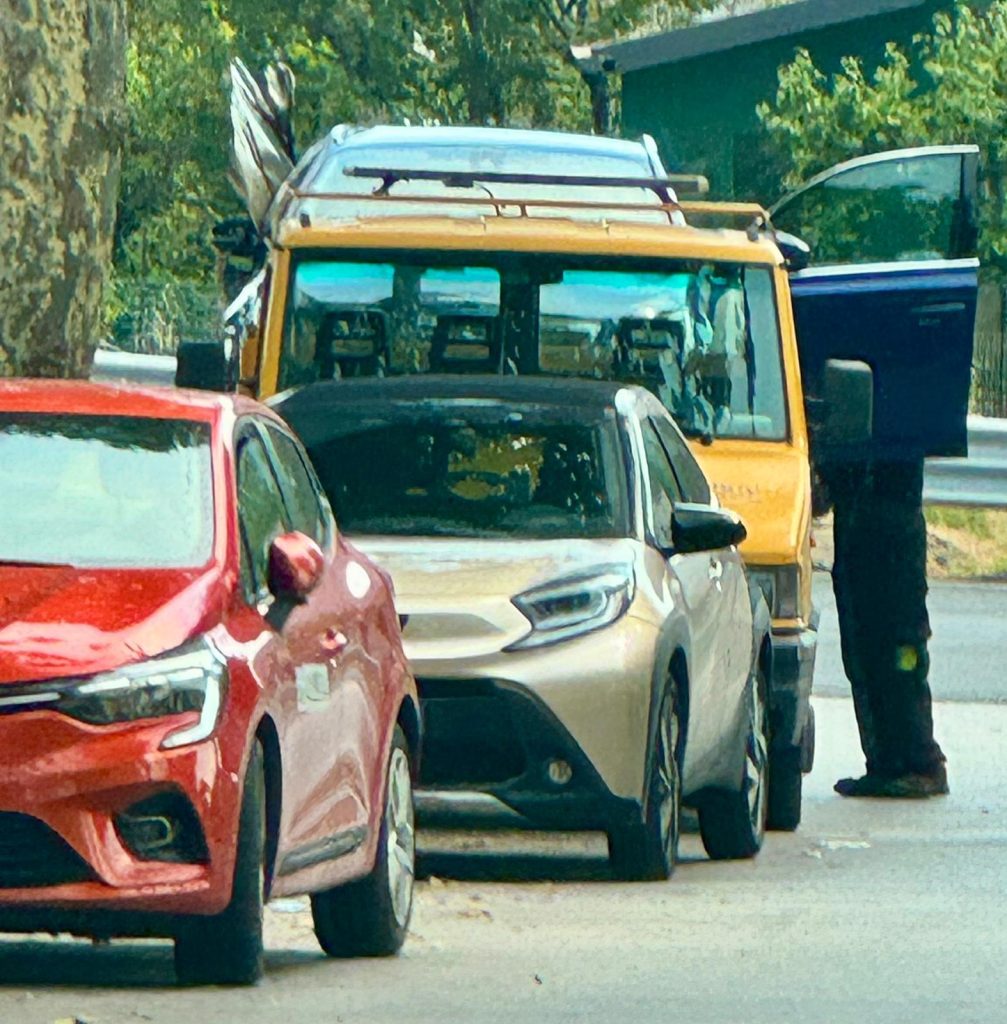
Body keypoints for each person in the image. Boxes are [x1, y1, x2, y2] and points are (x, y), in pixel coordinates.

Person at [824, 457, 949, 797]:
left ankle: (921, 762)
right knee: (864, 656)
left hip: (893, 553)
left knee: (901, 657)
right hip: (858, 543)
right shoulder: (853, 438)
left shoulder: (895, 437)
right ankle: (884, 762)